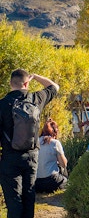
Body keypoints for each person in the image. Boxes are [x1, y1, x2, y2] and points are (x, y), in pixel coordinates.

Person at [0, 69, 59, 218]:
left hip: (9, 158)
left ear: (10, 83)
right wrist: (36, 76)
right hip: (31, 158)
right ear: (27, 83)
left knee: (14, 203)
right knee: (28, 199)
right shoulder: (35, 99)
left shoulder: (2, 104)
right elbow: (54, 87)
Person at [35, 119, 68, 193]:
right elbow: (64, 164)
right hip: (51, 181)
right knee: (65, 176)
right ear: (55, 131)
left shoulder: (36, 141)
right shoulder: (55, 143)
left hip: (37, 182)